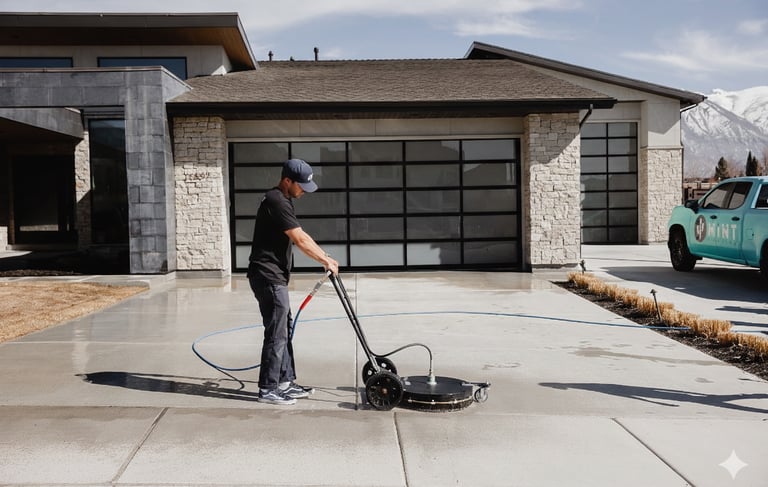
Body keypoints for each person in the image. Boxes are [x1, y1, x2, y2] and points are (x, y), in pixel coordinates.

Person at [247, 158, 339, 405]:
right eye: (300, 186)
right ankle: (268, 389)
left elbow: (302, 234)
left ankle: (285, 382)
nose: (303, 191)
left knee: (283, 330)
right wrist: (325, 260)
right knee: (276, 334)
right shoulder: (276, 200)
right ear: (287, 180)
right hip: (267, 276)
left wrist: (324, 256)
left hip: (273, 275)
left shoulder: (283, 200)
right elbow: (299, 239)